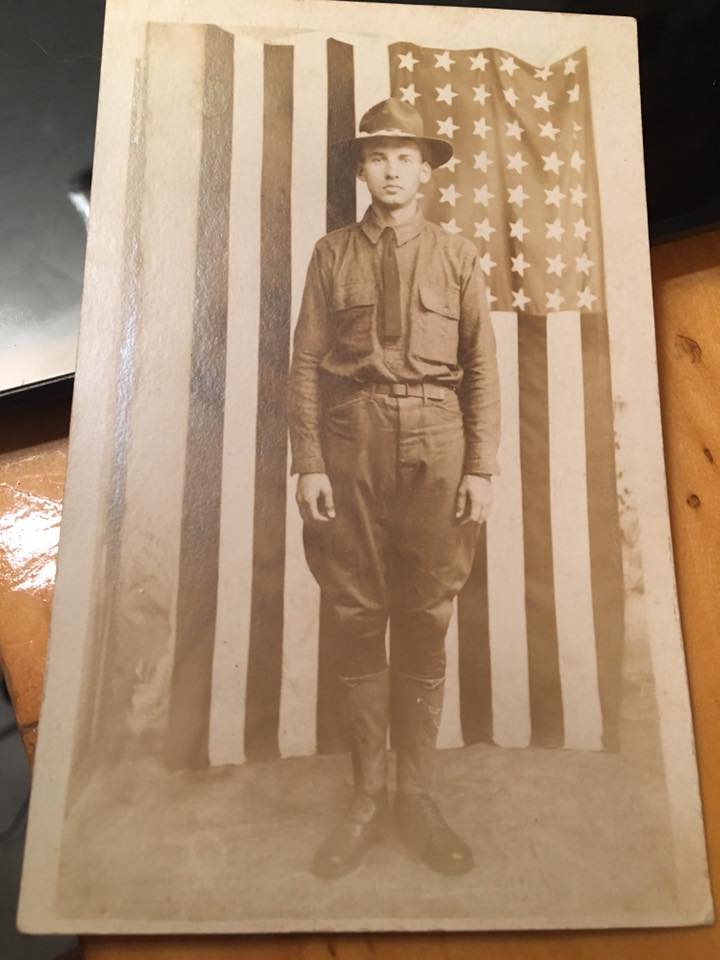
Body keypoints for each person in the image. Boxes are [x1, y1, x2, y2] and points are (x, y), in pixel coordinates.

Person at [288, 97, 500, 879]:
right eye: (378, 157)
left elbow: (482, 368)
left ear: (427, 172)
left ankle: (416, 793)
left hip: (439, 443)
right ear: (361, 170)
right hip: (350, 440)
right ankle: (367, 795)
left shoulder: (456, 254)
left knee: (427, 612)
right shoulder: (331, 253)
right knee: (354, 611)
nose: (391, 170)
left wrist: (481, 467)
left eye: (406, 158)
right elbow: (306, 363)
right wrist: (307, 459)